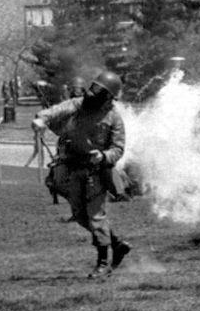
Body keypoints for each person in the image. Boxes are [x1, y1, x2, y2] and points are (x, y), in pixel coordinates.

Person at [32, 71, 131, 278]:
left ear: (108, 96)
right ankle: (116, 244)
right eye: (93, 88)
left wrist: (103, 156)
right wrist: (41, 120)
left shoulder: (114, 118)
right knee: (80, 216)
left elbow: (118, 149)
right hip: (72, 168)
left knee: (96, 216)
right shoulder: (78, 104)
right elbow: (56, 111)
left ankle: (103, 264)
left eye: (99, 91)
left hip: (96, 172)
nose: (93, 94)